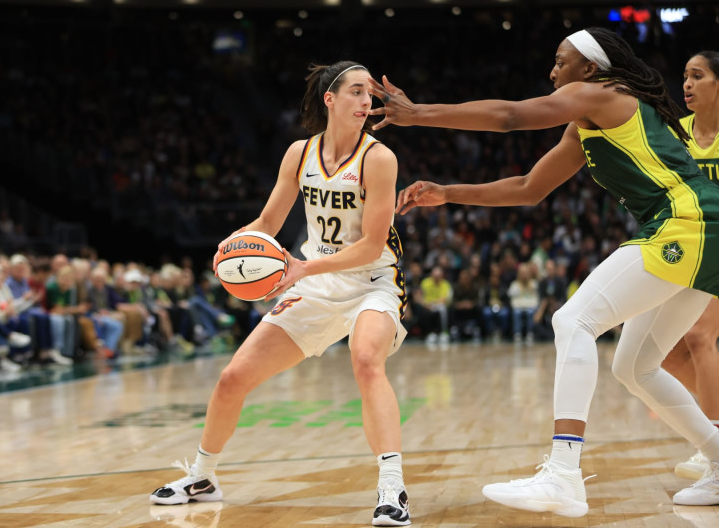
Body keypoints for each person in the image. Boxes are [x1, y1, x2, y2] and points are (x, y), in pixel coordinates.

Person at [371, 28, 719, 515]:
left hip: (689, 225)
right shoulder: (586, 123)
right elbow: (530, 187)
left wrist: (419, 114)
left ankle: (563, 474)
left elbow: (511, 116)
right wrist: (448, 192)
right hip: (704, 232)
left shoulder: (602, 94)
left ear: (589, 69)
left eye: (561, 62)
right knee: (634, 366)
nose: (553, 72)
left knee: (571, 321)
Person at [150, 61, 411, 526]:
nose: (366, 101)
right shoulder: (298, 153)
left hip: (373, 280)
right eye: (355, 92)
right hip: (313, 280)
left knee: (366, 360)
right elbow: (268, 223)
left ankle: (392, 487)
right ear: (329, 99)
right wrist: (232, 247)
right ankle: (203, 476)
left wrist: (301, 267)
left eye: (369, 94)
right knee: (233, 377)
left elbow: (372, 244)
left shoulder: (379, 159)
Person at [660, 50, 719, 480]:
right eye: (685, 76)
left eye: (697, 76)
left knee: (700, 336)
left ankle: (713, 444)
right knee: (663, 354)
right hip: (684, 251)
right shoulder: (673, 133)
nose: (687, 84)